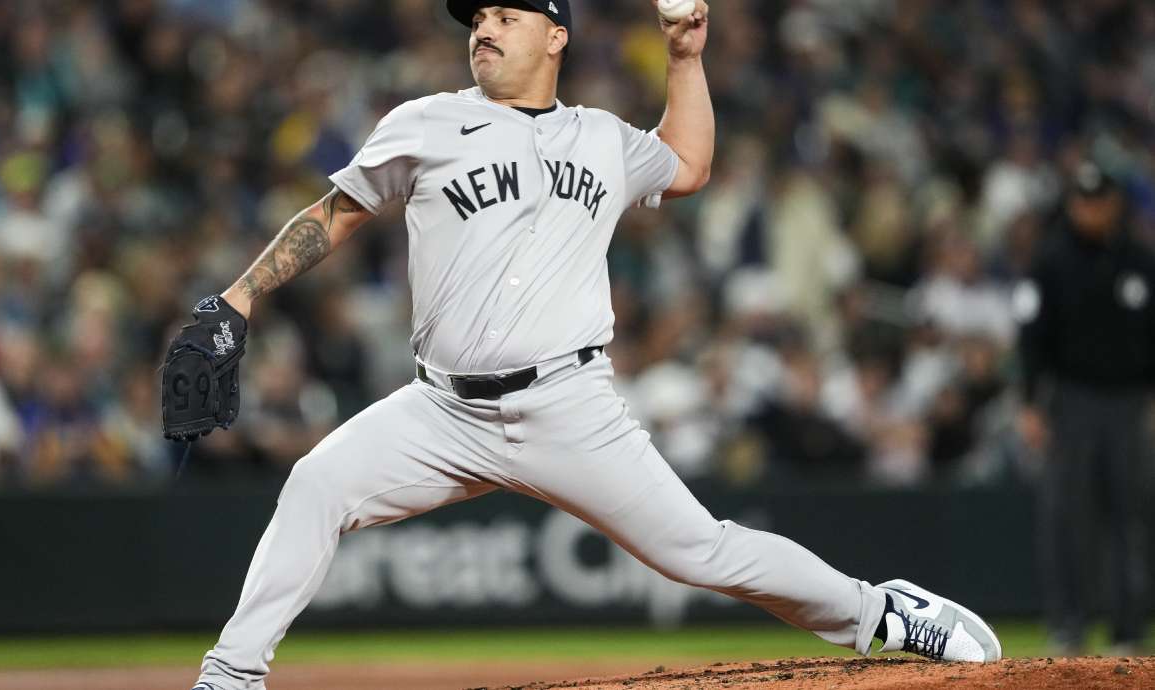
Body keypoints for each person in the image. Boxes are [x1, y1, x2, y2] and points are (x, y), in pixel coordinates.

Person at [186, 3, 1000, 688]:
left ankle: (884, 613)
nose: (484, 27)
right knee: (316, 484)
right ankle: (231, 674)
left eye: (508, 13)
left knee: (701, 552)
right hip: (442, 409)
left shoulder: (601, 138)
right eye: (478, 16)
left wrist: (685, 59)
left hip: (567, 405)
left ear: (556, 34)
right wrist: (238, 298)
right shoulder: (426, 122)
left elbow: (687, 164)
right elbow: (331, 215)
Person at [1017, 161, 1153, 655]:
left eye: (1100, 201)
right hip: (1070, 401)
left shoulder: (1140, 261)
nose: (1091, 211)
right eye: (1083, 201)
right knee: (1066, 517)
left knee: (1130, 518)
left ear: (1114, 203)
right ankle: (1067, 627)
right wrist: (1030, 403)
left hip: (1129, 403)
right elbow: (1031, 338)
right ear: (1073, 204)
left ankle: (1129, 630)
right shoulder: (1051, 261)